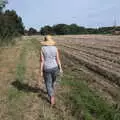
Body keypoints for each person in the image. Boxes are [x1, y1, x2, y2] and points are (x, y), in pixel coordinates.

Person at [40, 35, 63, 105]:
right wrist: (60, 68)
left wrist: (40, 71)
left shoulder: (42, 49)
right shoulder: (55, 48)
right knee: (52, 81)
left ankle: (51, 96)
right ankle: (51, 91)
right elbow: (58, 59)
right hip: (55, 67)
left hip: (46, 68)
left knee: (48, 83)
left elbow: (42, 61)